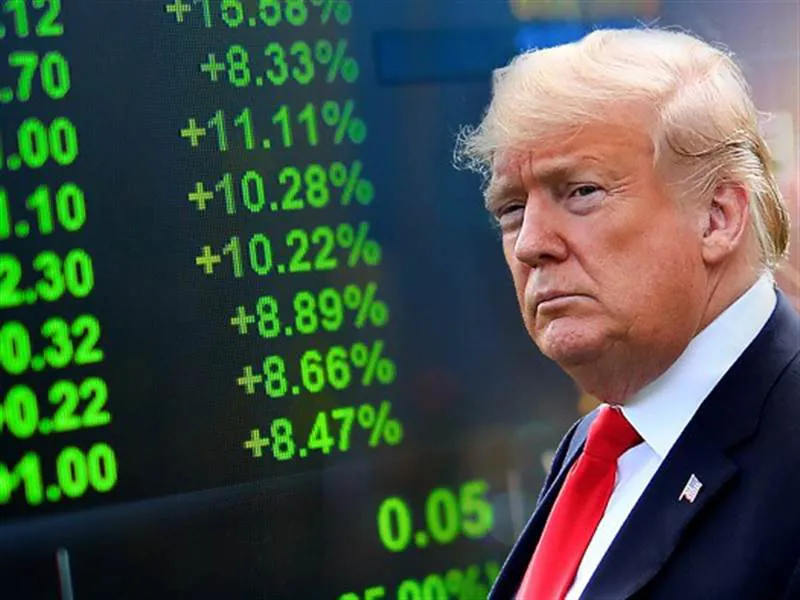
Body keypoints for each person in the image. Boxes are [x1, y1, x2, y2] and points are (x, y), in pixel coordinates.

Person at [455, 27, 800, 599]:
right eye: (511, 208)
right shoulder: (602, 441)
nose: (530, 243)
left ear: (718, 217)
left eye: (581, 191)